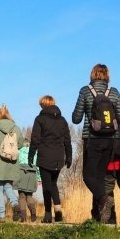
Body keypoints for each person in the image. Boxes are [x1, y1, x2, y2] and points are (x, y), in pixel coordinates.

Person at [72, 64, 120, 223]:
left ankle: (104, 200)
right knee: (100, 177)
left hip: (91, 138)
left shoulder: (85, 91)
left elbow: (76, 119)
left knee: (89, 176)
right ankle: (99, 215)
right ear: (107, 75)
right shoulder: (114, 92)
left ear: (92, 74)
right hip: (110, 140)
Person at [29, 95, 72, 223]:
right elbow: (67, 140)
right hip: (59, 157)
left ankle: (48, 214)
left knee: (47, 186)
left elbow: (35, 139)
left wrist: (31, 155)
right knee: (53, 184)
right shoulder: (62, 120)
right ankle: (58, 211)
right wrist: (69, 156)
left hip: (44, 156)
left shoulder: (40, 119)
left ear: (43, 105)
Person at [0, 105, 23, 222]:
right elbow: (20, 144)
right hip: (12, 161)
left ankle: (1, 216)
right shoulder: (16, 128)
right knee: (8, 186)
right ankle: (15, 203)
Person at [16, 138, 38, 222]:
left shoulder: (19, 151)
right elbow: (37, 166)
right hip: (32, 174)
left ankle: (23, 217)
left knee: (21, 196)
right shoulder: (35, 152)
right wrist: (39, 178)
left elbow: (15, 164)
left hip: (21, 172)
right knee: (29, 195)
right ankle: (33, 212)